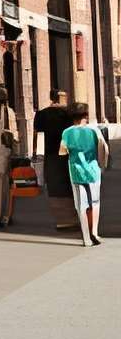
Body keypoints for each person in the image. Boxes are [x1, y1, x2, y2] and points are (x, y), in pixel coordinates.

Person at [60, 99, 109, 246]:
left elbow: (62, 152)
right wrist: (102, 165)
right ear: (86, 115)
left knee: (81, 204)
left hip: (76, 171)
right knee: (95, 202)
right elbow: (103, 149)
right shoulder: (94, 130)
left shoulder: (67, 132)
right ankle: (95, 232)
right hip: (93, 170)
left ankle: (86, 238)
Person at [35, 90, 79, 229]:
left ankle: (61, 219)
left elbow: (37, 135)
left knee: (54, 186)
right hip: (66, 153)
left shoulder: (41, 114)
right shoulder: (68, 114)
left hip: (50, 154)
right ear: (61, 98)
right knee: (69, 185)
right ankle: (72, 218)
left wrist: (35, 152)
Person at [0, 84, 22, 227]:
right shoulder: (8, 112)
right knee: (4, 187)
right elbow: (13, 136)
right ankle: (4, 216)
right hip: (3, 152)